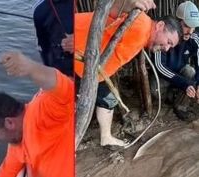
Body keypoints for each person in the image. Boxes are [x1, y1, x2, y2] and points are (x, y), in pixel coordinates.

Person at [75, 0, 182, 147]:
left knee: (108, 99)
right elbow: (114, 11)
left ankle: (105, 137)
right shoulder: (140, 25)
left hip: (88, 62)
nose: (167, 48)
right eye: (169, 42)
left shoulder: (143, 28)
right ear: (160, 26)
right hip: (77, 53)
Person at [152, 1, 199, 121]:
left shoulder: (193, 38)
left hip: (181, 71)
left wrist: (197, 84)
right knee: (156, 92)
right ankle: (170, 95)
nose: (191, 31)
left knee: (191, 71)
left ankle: (180, 106)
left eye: (193, 27)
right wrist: (184, 84)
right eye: (187, 26)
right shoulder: (163, 35)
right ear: (178, 21)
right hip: (163, 75)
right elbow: (159, 66)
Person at [32, 0, 73, 76]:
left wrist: (81, 41)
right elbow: (43, 48)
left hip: (94, 71)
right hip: (61, 74)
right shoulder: (40, 9)